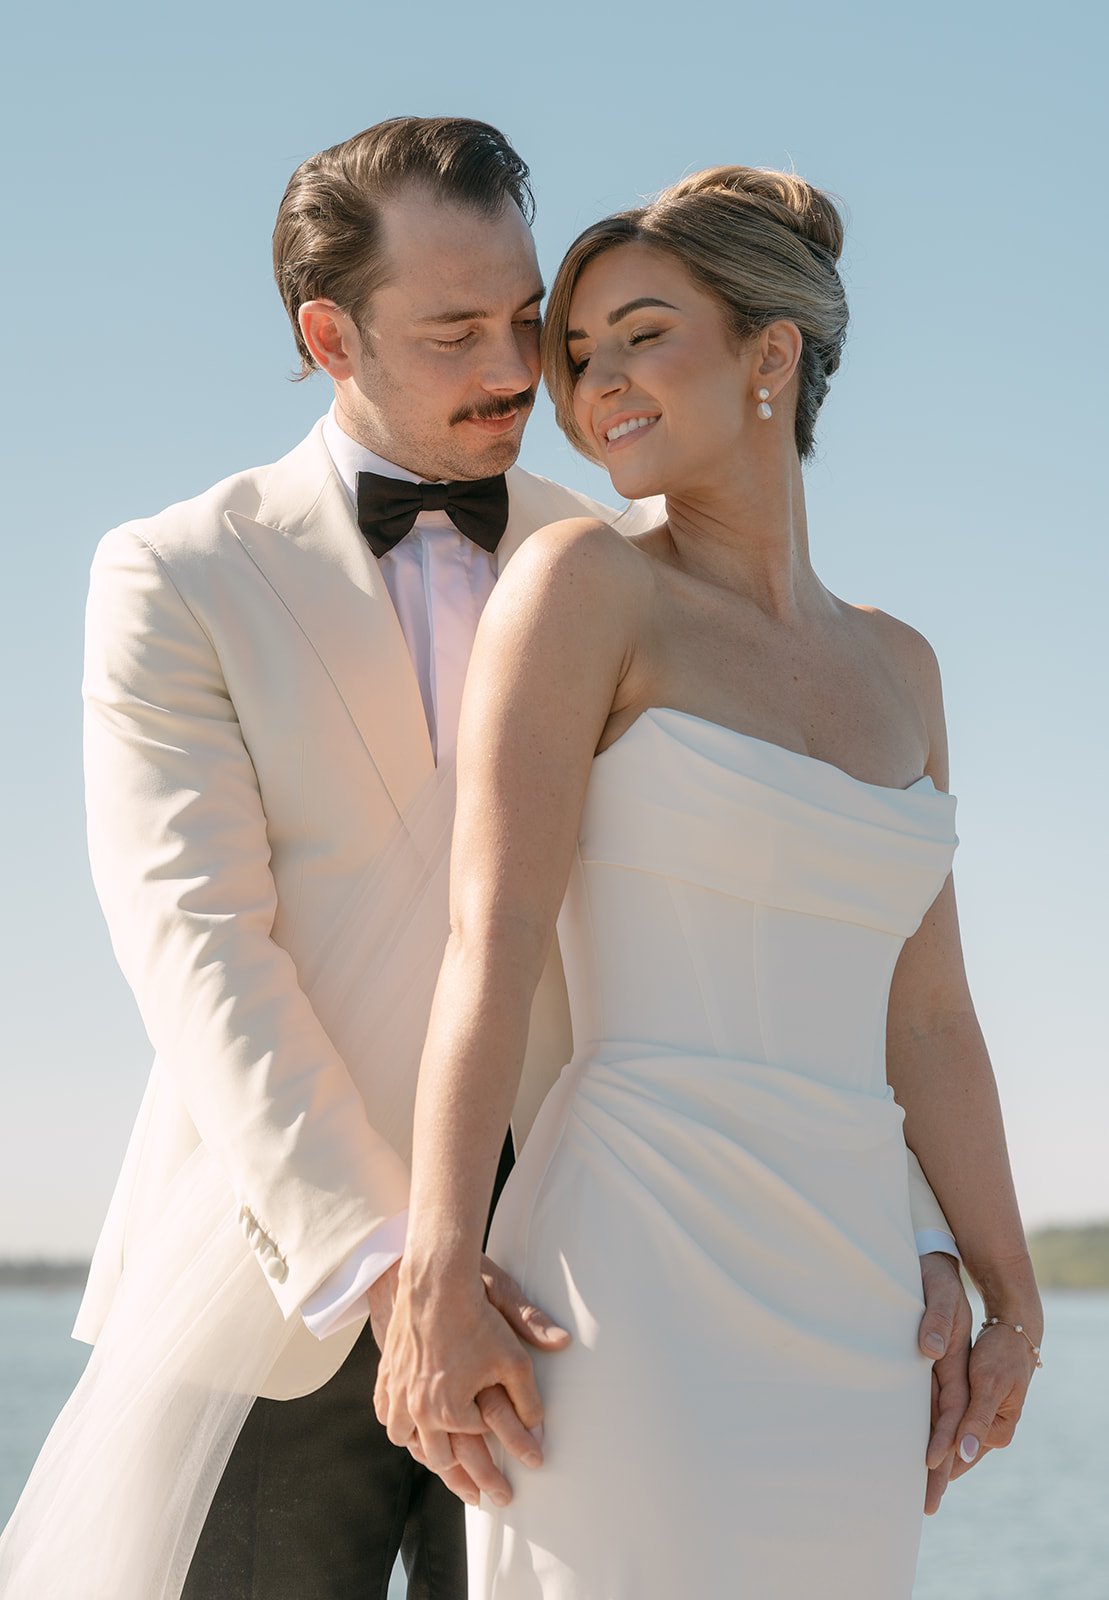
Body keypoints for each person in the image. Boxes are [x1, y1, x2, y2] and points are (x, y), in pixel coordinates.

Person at [0, 126, 967, 1600]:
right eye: (458, 331)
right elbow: (201, 952)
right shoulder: (178, 572)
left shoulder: (620, 560)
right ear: (330, 335)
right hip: (291, 1287)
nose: (524, 368)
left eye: (528, 320)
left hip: (606, 1287)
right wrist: (397, 1272)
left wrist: (902, 1215)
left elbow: (793, 913)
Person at [374, 167, 1043, 1598]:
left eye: (640, 334)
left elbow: (929, 1020)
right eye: (578, 356)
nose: (593, 383)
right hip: (630, 1261)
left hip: (856, 1288)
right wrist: (435, 1261)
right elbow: (486, 940)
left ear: (770, 354)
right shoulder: (583, 589)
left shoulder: (901, 666)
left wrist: (1011, 1295)